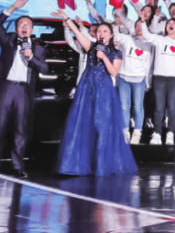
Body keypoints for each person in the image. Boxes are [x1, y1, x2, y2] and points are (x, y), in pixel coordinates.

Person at [54, 15, 137, 176]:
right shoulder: (91, 47)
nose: (101, 33)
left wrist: (104, 57)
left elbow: (114, 72)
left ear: (111, 35)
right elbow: (78, 33)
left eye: (105, 31)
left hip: (104, 89)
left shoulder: (116, 53)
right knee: (83, 123)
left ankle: (102, 165)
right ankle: (78, 164)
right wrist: (66, 18)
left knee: (102, 124)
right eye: (99, 31)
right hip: (87, 87)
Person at [0, 0, 49, 178]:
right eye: (21, 24)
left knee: (21, 131)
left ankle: (17, 166)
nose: (24, 27)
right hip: (6, 88)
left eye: (28, 25)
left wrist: (30, 57)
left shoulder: (38, 49)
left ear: (32, 30)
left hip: (23, 91)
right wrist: (13, 8)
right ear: (16, 29)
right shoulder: (8, 40)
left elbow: (44, 68)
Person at [140, 19, 175, 145]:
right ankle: (157, 133)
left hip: (174, 78)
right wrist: (143, 22)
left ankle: (170, 133)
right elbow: (147, 36)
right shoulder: (159, 39)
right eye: (168, 24)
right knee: (159, 107)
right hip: (159, 78)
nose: (171, 25)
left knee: (172, 107)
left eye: (174, 24)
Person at [111, 15, 153, 145]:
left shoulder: (148, 43)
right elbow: (117, 37)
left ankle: (137, 132)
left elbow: (149, 64)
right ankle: (125, 131)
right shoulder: (128, 38)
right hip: (124, 77)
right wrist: (116, 25)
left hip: (139, 78)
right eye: (137, 26)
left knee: (138, 106)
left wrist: (148, 82)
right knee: (124, 106)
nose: (139, 28)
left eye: (141, 26)